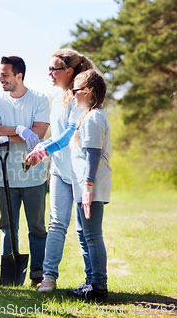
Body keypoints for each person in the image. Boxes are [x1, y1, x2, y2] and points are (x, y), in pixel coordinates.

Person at [24, 49, 95, 293]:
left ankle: (93, 280)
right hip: (59, 171)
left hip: (78, 172)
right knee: (55, 225)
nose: (49, 73)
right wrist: (41, 147)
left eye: (54, 69)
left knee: (84, 230)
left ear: (69, 71)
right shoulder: (57, 98)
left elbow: (68, 135)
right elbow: (57, 134)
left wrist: (42, 152)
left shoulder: (80, 97)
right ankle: (49, 278)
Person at [0, 56, 50, 286]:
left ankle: (38, 274)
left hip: (34, 175)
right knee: (7, 226)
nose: (0, 79)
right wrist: (22, 130)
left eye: (5, 74)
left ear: (19, 76)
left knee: (37, 227)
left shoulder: (40, 100)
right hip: (5, 176)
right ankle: (8, 274)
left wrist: (10, 134)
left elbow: (39, 131)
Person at [67, 69, 111, 301]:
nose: (72, 95)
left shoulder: (93, 118)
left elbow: (93, 154)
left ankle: (98, 286)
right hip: (84, 185)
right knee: (84, 234)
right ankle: (91, 280)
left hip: (90, 186)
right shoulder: (87, 116)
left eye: (76, 90)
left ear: (88, 92)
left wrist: (88, 186)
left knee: (92, 235)